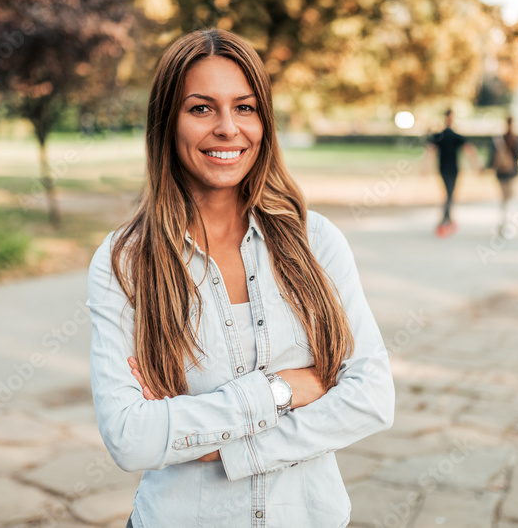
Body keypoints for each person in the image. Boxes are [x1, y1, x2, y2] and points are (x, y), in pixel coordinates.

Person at [86, 29, 394, 528]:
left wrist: (231, 448)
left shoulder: (316, 242)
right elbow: (130, 437)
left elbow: (371, 398)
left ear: (264, 122)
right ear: (168, 123)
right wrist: (284, 390)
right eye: (202, 108)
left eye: (245, 107)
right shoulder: (127, 261)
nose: (228, 128)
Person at [426, 109, 482, 236]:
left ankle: (448, 219)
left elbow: (468, 150)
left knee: (449, 194)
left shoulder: (448, 136)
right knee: (449, 194)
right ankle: (443, 221)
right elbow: (430, 151)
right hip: (447, 169)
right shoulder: (444, 135)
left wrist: (476, 165)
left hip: (449, 168)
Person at [486, 116, 518, 233]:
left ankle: (503, 221)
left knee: (504, 199)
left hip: (501, 173)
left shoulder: (500, 139)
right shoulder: (516, 139)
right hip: (511, 172)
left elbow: (492, 156)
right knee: (509, 199)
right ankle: (506, 222)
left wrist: (487, 167)